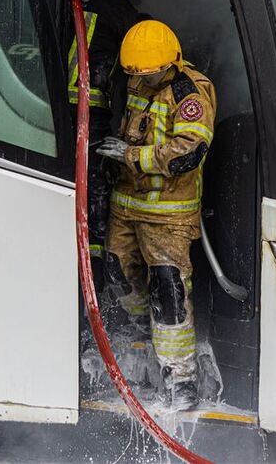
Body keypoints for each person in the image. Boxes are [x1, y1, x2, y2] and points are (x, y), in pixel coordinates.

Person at [95, 20, 216, 411]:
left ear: (171, 63)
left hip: (167, 215)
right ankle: (148, 341)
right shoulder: (136, 80)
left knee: (169, 291)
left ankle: (180, 376)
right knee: (116, 272)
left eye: (150, 75)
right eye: (136, 75)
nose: (141, 82)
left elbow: (188, 152)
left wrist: (132, 156)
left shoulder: (190, 92)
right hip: (126, 205)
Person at [67, 0, 141, 281]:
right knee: (93, 189)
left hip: (46, 112)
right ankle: (93, 274)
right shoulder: (116, 8)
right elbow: (143, 46)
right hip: (87, 112)